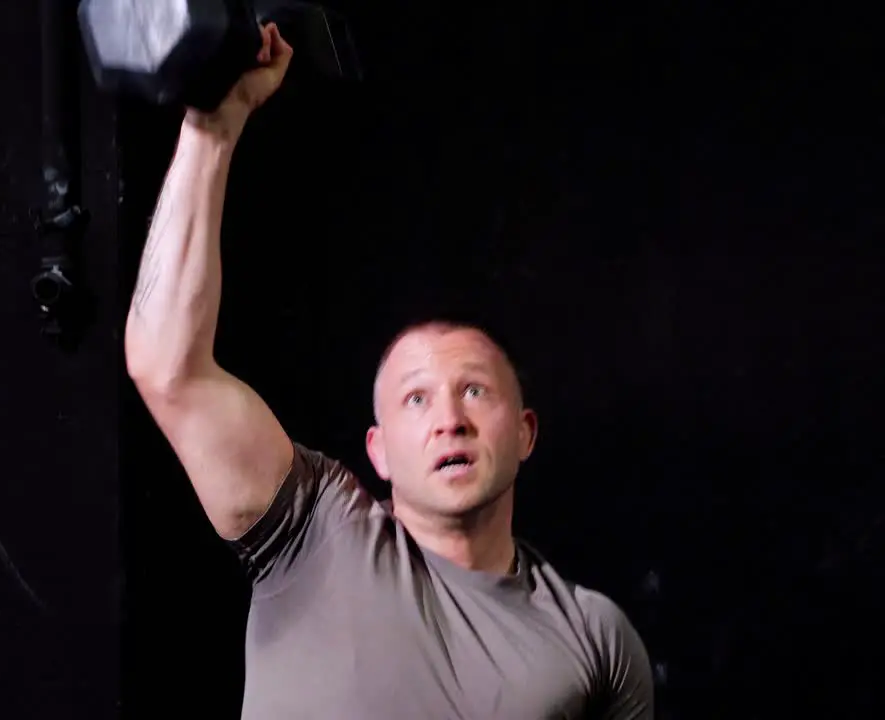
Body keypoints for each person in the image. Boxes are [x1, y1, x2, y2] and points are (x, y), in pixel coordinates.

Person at [124, 23, 655, 719]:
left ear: (525, 432)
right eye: (415, 400)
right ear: (378, 449)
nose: (449, 420)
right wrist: (213, 125)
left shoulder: (594, 637)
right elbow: (169, 370)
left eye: (474, 390)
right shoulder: (312, 528)